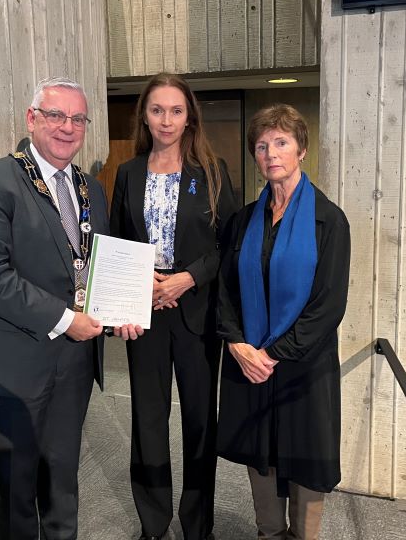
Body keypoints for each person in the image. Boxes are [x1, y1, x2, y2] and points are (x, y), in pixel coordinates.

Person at [0, 77, 142, 540]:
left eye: (78, 118)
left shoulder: (90, 188)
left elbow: (91, 267)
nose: (68, 127)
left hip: (74, 362)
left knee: (62, 476)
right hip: (13, 359)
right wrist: (65, 320)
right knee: (16, 485)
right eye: (56, 115)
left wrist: (118, 313)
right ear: (32, 119)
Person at [110, 72, 237, 540]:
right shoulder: (128, 172)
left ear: (190, 117)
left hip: (196, 313)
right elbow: (118, 242)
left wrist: (188, 278)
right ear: (144, 114)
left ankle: (197, 524)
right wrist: (131, 293)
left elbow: (229, 245)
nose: (166, 119)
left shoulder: (214, 171)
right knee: (147, 418)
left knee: (200, 422)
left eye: (176, 110)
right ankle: (153, 521)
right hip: (144, 311)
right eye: (157, 110)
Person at [215, 104, 351, 540]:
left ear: (302, 150)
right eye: (261, 145)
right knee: (263, 453)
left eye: (281, 143)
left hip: (301, 366)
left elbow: (328, 305)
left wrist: (272, 353)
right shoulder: (243, 220)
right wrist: (238, 345)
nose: (271, 153)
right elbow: (226, 291)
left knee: (304, 456)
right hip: (249, 362)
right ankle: (269, 533)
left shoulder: (328, 220)